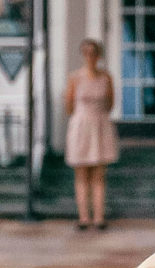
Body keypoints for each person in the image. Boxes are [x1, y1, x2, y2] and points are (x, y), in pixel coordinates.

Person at [64, 38, 118, 231]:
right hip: (81, 125)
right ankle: (84, 217)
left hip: (100, 124)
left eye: (93, 53)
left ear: (98, 55)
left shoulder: (106, 77)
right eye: (86, 53)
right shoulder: (75, 78)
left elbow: (111, 103)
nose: (90, 57)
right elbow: (69, 104)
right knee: (81, 173)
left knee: (98, 173)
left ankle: (99, 217)